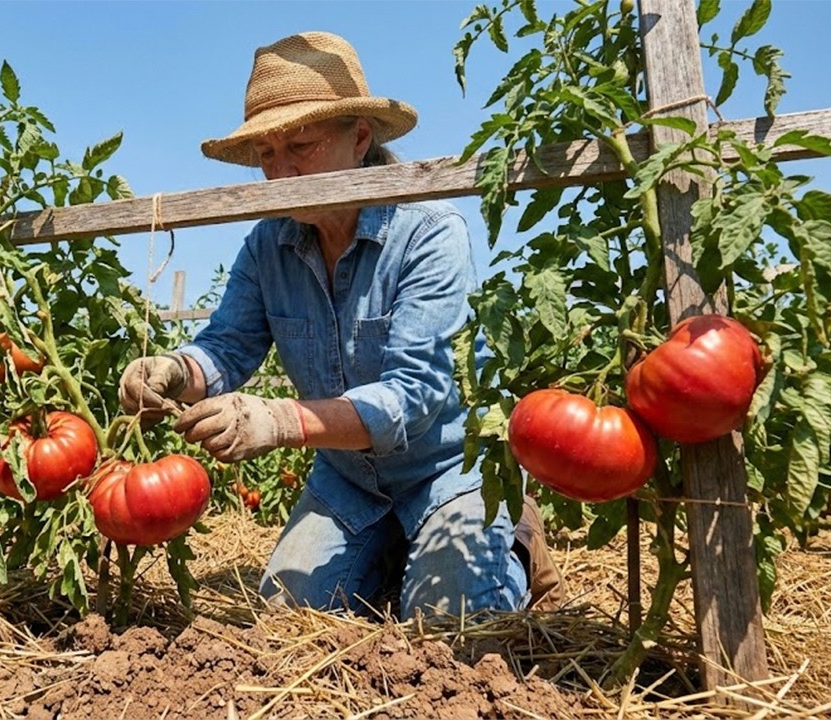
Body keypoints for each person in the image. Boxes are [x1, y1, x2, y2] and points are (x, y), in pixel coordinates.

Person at [119, 31, 564, 619]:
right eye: (266, 156)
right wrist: (175, 371)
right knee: (285, 613)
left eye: (298, 146)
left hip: (446, 467)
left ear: (358, 139)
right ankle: (395, 551)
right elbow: (227, 347)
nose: (279, 174)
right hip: (349, 479)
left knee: (455, 623)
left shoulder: (428, 231)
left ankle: (510, 537)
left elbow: (414, 396)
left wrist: (280, 419)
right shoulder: (268, 244)